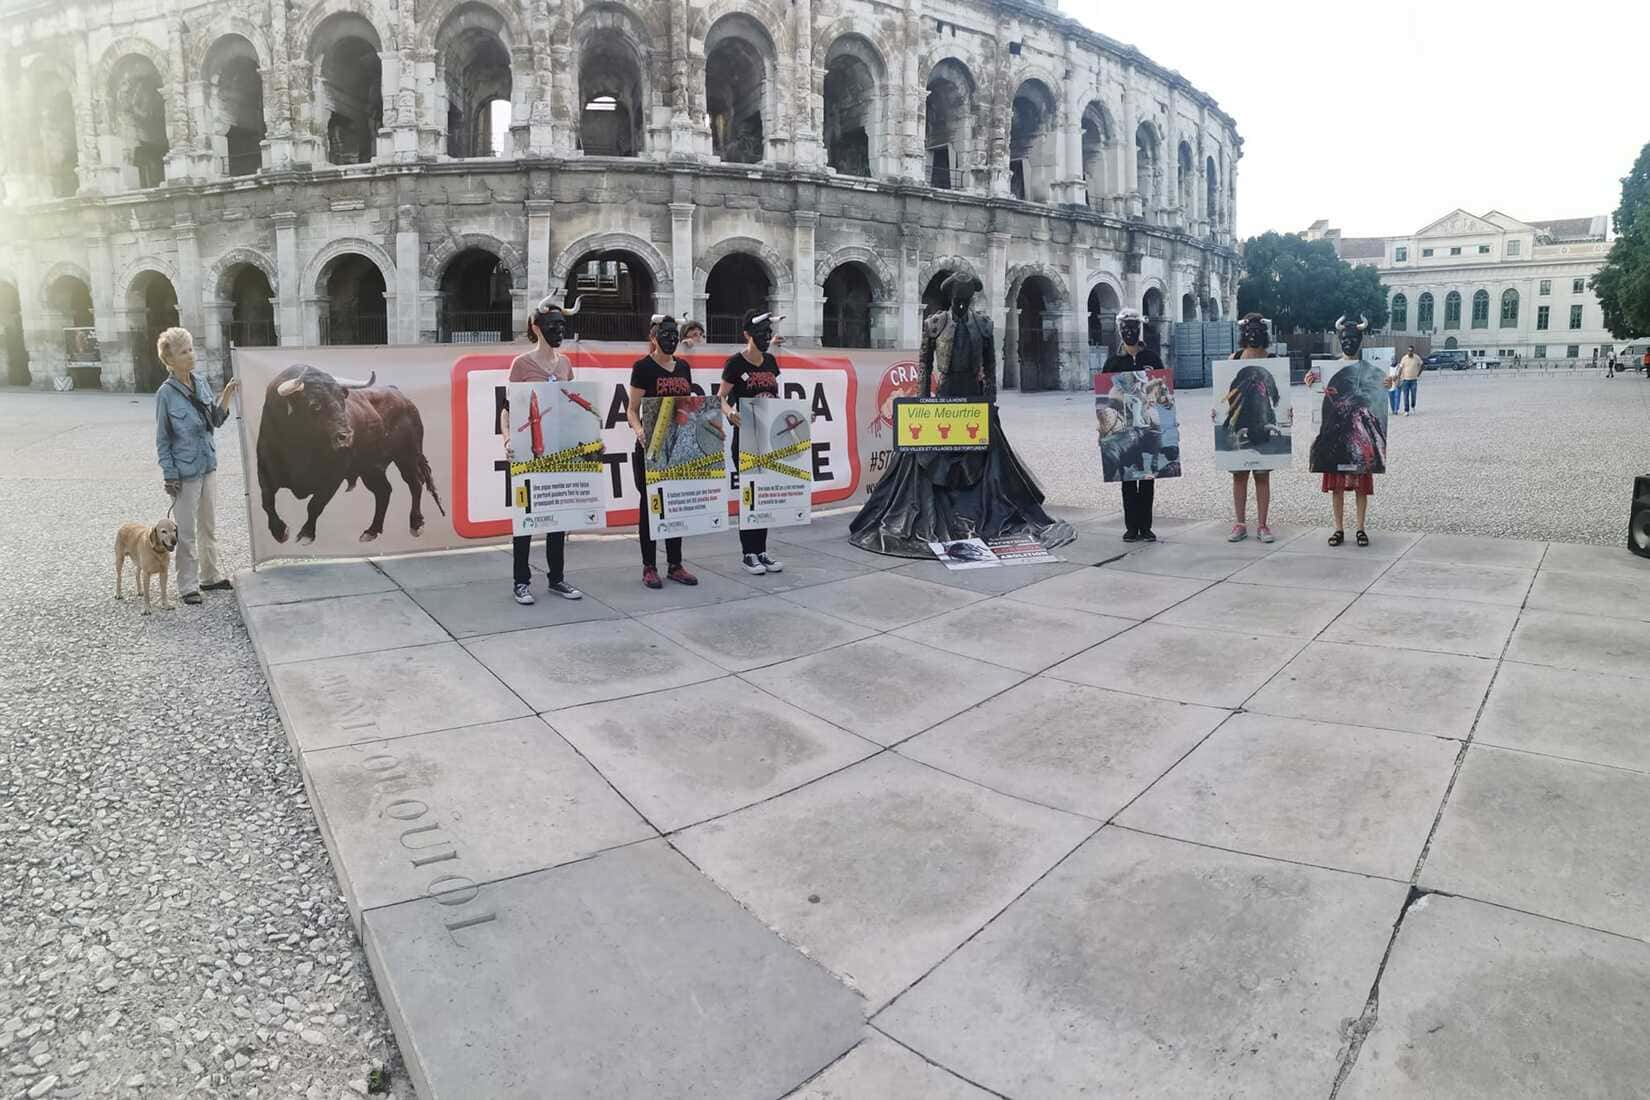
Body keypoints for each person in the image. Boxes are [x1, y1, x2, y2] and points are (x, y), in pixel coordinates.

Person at [500, 296, 585, 606]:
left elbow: (570, 403)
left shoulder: (565, 363)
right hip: (528, 450)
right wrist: (508, 440)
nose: (559, 331)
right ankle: (521, 581)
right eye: (552, 325)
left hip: (558, 451)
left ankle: (556, 578)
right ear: (537, 328)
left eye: (562, 325)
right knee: (526, 517)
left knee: (558, 517)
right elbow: (507, 409)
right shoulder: (521, 364)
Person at [154, 327, 237, 605]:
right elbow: (163, 440)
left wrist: (227, 393)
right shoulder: (165, 394)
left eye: (191, 349)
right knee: (186, 532)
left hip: (207, 465)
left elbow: (215, 420)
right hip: (184, 474)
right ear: (169, 359)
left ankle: (210, 577)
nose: (191, 356)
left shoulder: (200, 382)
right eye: (183, 352)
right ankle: (188, 585)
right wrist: (170, 474)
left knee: (208, 526)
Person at [626, 314, 699, 589]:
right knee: (650, 507)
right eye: (665, 336)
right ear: (654, 338)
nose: (671, 340)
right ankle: (649, 566)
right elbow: (632, 410)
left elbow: (688, 405)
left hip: (677, 447)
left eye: (674, 336)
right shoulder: (642, 367)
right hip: (651, 447)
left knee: (676, 505)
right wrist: (638, 430)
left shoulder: (684, 367)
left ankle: (675, 564)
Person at [1309, 315, 1385, 548]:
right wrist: (1311, 381)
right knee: (1337, 486)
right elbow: (1322, 396)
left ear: (1360, 340)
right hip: (1337, 428)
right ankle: (1338, 528)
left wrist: (1389, 383)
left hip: (1362, 425)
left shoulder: (1371, 369)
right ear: (1339, 340)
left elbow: (1378, 393)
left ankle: (1360, 528)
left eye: (1353, 338)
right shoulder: (1329, 368)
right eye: (1345, 338)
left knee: (1361, 484)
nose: (1349, 342)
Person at [719, 309, 786, 575]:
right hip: (746, 437)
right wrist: (730, 413)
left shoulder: (770, 362)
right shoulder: (735, 363)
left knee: (765, 496)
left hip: (769, 437)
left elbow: (775, 398)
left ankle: (762, 551)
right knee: (751, 495)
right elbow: (720, 397)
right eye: (760, 333)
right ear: (747, 334)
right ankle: (748, 553)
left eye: (768, 333)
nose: (765, 337)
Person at [1102, 308, 1163, 542]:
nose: (1129, 331)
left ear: (1139, 329)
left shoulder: (1152, 359)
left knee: (1146, 477)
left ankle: (1146, 527)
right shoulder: (1113, 362)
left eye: (1133, 326)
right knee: (1127, 477)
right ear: (1120, 330)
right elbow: (1106, 396)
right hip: (1123, 426)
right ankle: (1131, 527)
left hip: (1147, 422)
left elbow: (1162, 388)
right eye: (1125, 326)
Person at [1222, 312, 1276, 543]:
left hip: (1263, 416)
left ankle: (1263, 525)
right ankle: (1240, 523)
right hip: (1240, 416)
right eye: (1249, 331)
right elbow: (1226, 392)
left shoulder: (1272, 359)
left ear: (1263, 334)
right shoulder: (1232, 359)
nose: (1253, 335)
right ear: (1243, 334)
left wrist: (1286, 413)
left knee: (1262, 476)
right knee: (1239, 476)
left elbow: (1277, 395)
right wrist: (1218, 411)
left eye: (1257, 331)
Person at [1397, 345, 1423, 415]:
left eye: (1411, 351)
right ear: (1407, 351)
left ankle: (1413, 405)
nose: (1410, 352)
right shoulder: (1404, 358)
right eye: (1408, 351)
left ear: (1413, 351)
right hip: (1405, 380)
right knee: (1405, 395)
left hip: (1414, 380)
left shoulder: (1417, 358)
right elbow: (1400, 369)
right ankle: (1406, 410)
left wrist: (1419, 373)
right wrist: (1398, 378)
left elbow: (1422, 365)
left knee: (1413, 395)